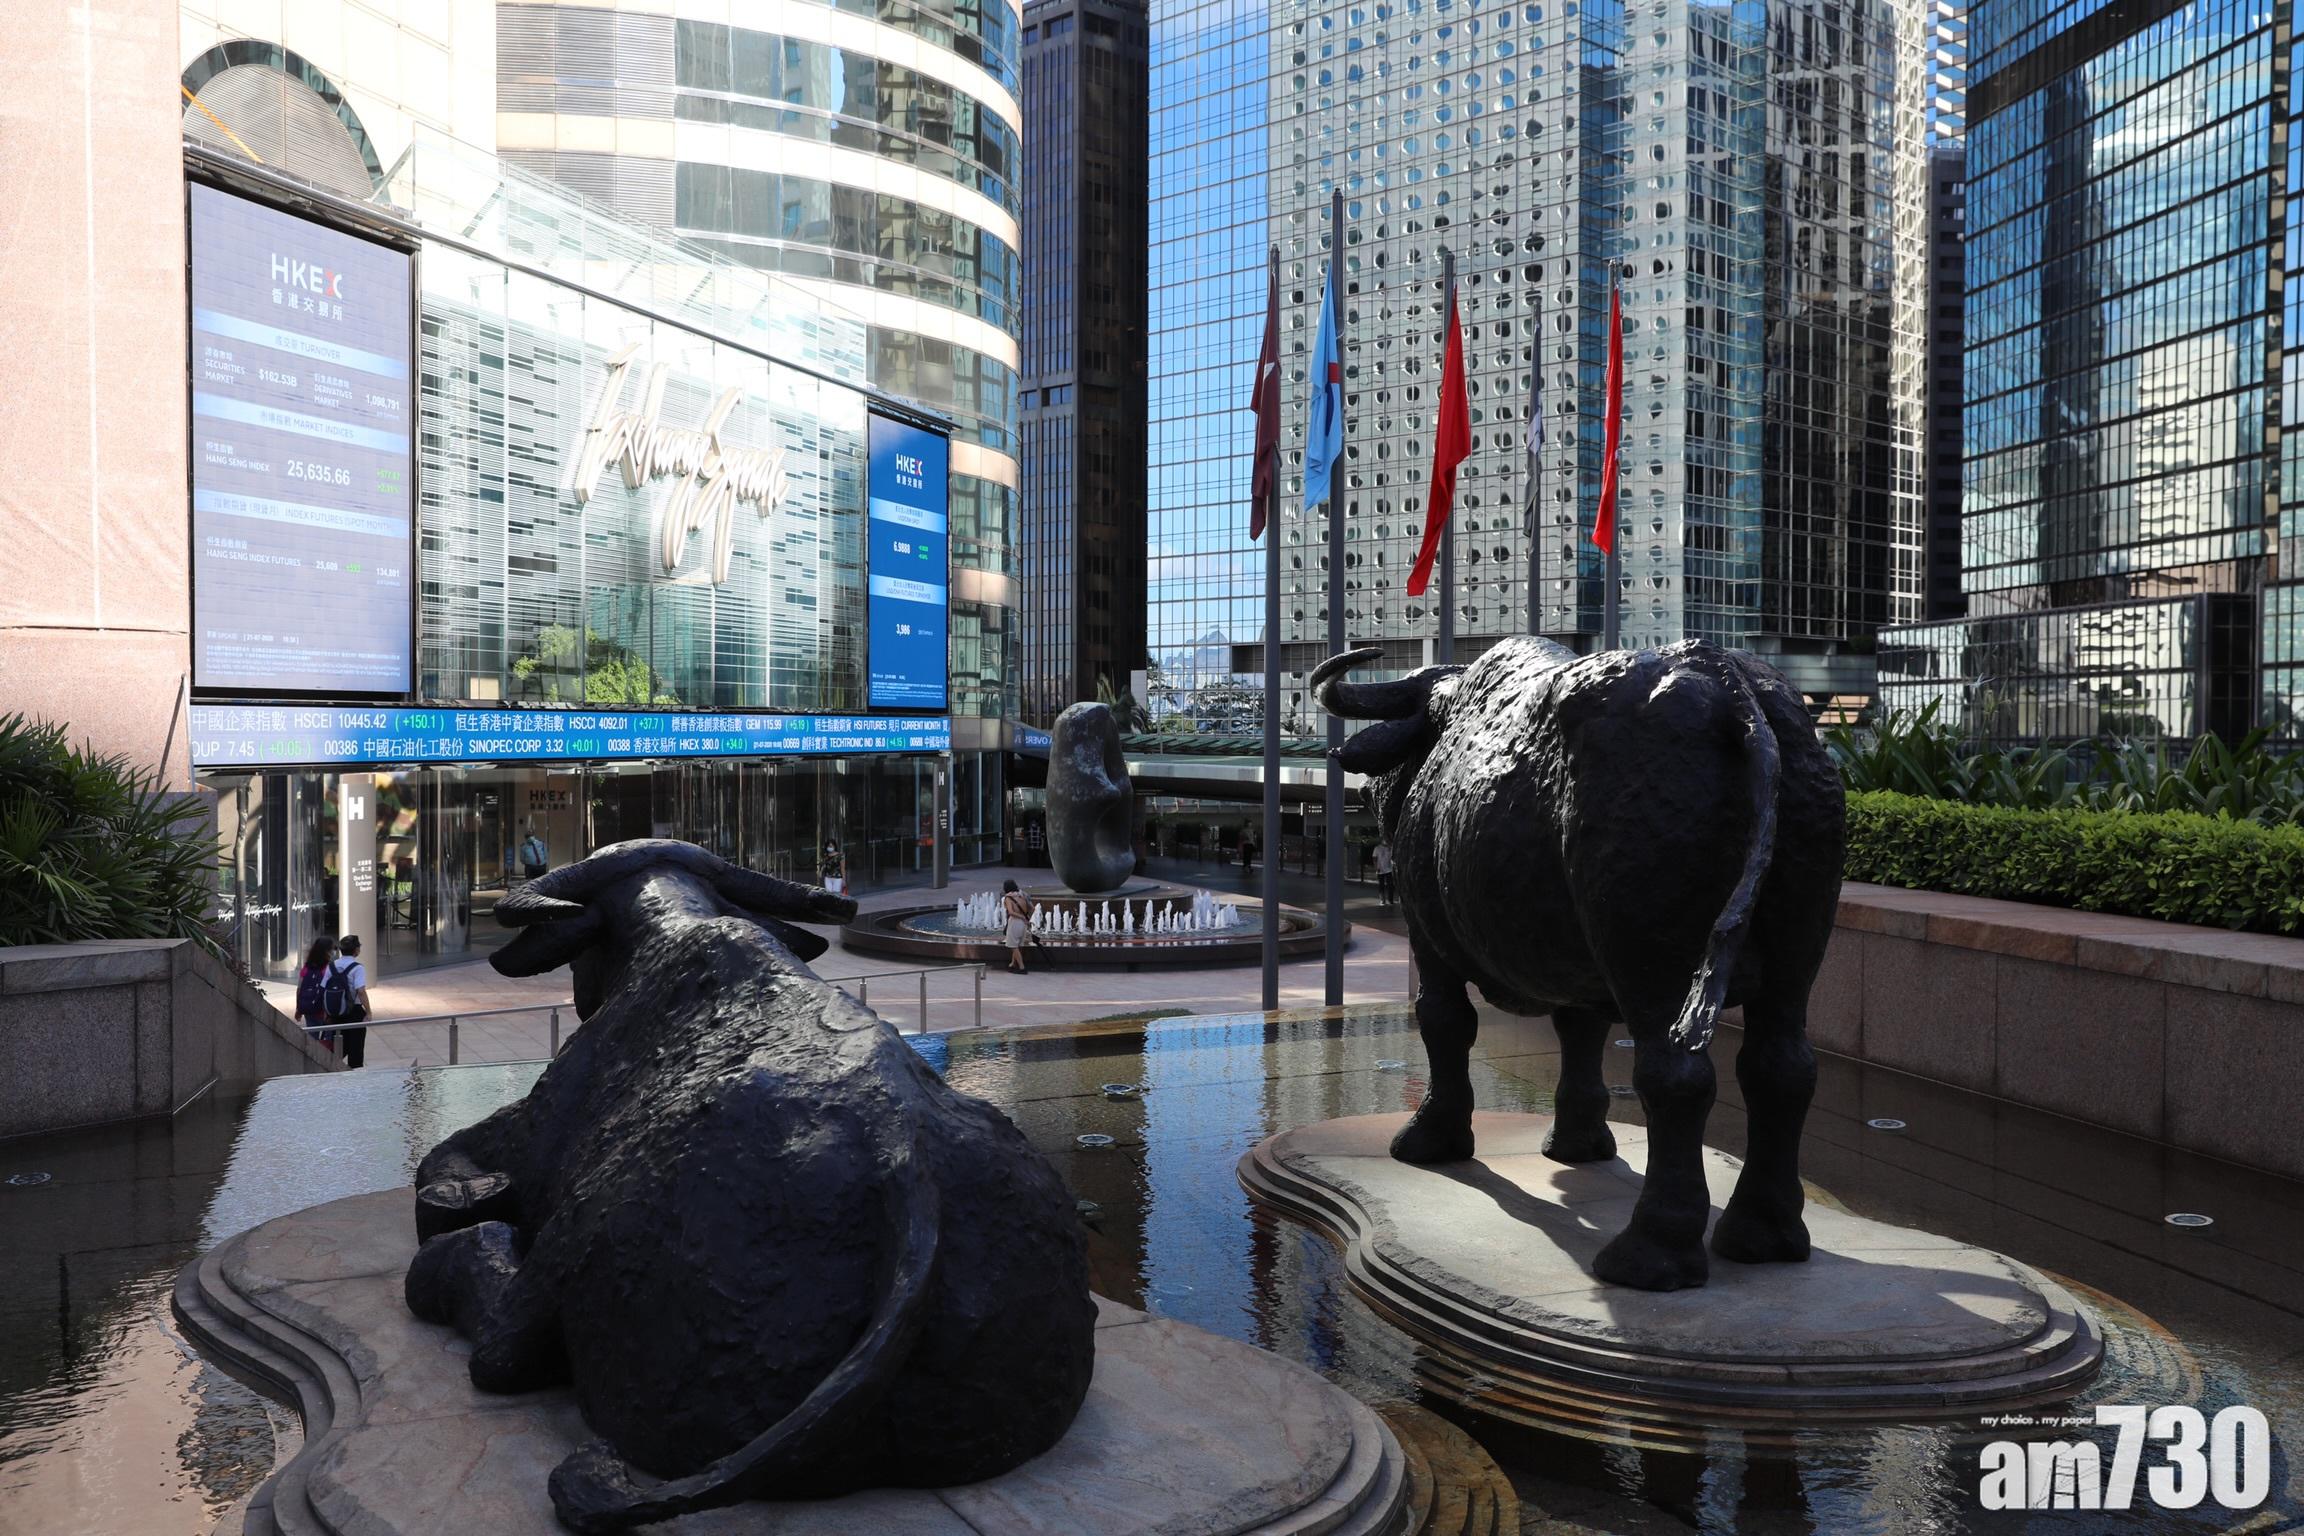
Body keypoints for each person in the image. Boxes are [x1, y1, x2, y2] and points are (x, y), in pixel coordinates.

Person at [323, 934, 373, 1070]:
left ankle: (332, 1071)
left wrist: (326, 1012)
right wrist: (368, 1012)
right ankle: (354, 1075)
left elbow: (323, 988)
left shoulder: (331, 966)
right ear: (356, 950)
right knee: (356, 1048)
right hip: (354, 1012)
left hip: (335, 1012)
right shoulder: (358, 968)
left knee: (338, 1047)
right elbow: (361, 991)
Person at [294, 936, 338, 1054]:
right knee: (328, 1041)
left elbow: (299, 990)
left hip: (309, 1009)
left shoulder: (306, 968)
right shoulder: (329, 968)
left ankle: (312, 1057)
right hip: (325, 1010)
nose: (333, 952)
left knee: (312, 1038)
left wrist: (298, 1009)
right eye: (332, 949)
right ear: (327, 951)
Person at [999, 879, 1035, 975]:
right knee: (1018, 945)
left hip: (1015, 922)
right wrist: (1027, 918)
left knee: (1013, 946)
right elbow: (1032, 908)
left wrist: (1021, 917)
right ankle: (1012, 964)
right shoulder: (1022, 895)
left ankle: (1022, 967)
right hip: (1023, 924)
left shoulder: (1008, 898)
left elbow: (1011, 912)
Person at [1374, 840, 1396, 906]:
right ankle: (1382, 900)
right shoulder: (1377, 848)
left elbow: (1393, 858)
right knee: (1381, 885)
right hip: (1380, 869)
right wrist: (1376, 868)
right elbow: (1374, 858)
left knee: (1390, 885)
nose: (1385, 841)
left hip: (1389, 870)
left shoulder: (1390, 848)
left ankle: (1390, 900)